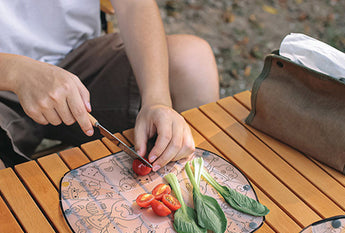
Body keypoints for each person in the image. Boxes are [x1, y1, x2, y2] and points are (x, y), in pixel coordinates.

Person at [0, 0, 219, 169]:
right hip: (5, 80)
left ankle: (198, 186)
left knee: (192, 61)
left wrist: (157, 100)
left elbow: (133, 5)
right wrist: (15, 72)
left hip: (80, 62)